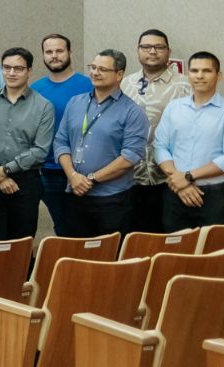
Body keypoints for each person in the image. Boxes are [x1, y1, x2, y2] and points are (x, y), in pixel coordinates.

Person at [51, 48, 150, 237]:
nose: (95, 73)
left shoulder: (132, 111)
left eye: (102, 69)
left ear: (119, 74)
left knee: (108, 257)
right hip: (74, 193)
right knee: (76, 254)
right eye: (93, 67)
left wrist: (90, 179)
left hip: (111, 199)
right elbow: (61, 142)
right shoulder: (75, 102)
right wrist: (72, 176)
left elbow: (130, 157)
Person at [0, 47, 56, 241]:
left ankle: (21, 273)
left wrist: (5, 171)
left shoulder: (44, 106)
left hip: (26, 183)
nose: (12, 73)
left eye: (18, 68)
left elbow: (40, 150)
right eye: (7, 68)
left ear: (29, 71)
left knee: (21, 241)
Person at [154, 52, 224, 231]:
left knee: (213, 251)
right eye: (194, 70)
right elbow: (160, 146)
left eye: (207, 71)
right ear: (188, 75)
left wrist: (187, 177)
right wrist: (178, 181)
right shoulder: (173, 107)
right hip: (175, 192)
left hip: (216, 195)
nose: (200, 75)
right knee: (175, 249)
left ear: (219, 76)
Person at [124, 29, 187, 232]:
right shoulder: (125, 83)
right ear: (138, 51)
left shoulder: (185, 85)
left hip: (172, 178)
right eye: (146, 47)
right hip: (131, 177)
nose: (152, 51)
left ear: (168, 52)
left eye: (159, 47)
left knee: (170, 236)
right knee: (136, 238)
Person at [31, 33, 93, 231]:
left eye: (59, 51)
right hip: (47, 171)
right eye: (49, 52)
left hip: (83, 170)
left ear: (70, 52)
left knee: (84, 228)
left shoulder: (89, 85)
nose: (54, 56)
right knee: (63, 226)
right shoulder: (35, 89)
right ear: (43, 55)